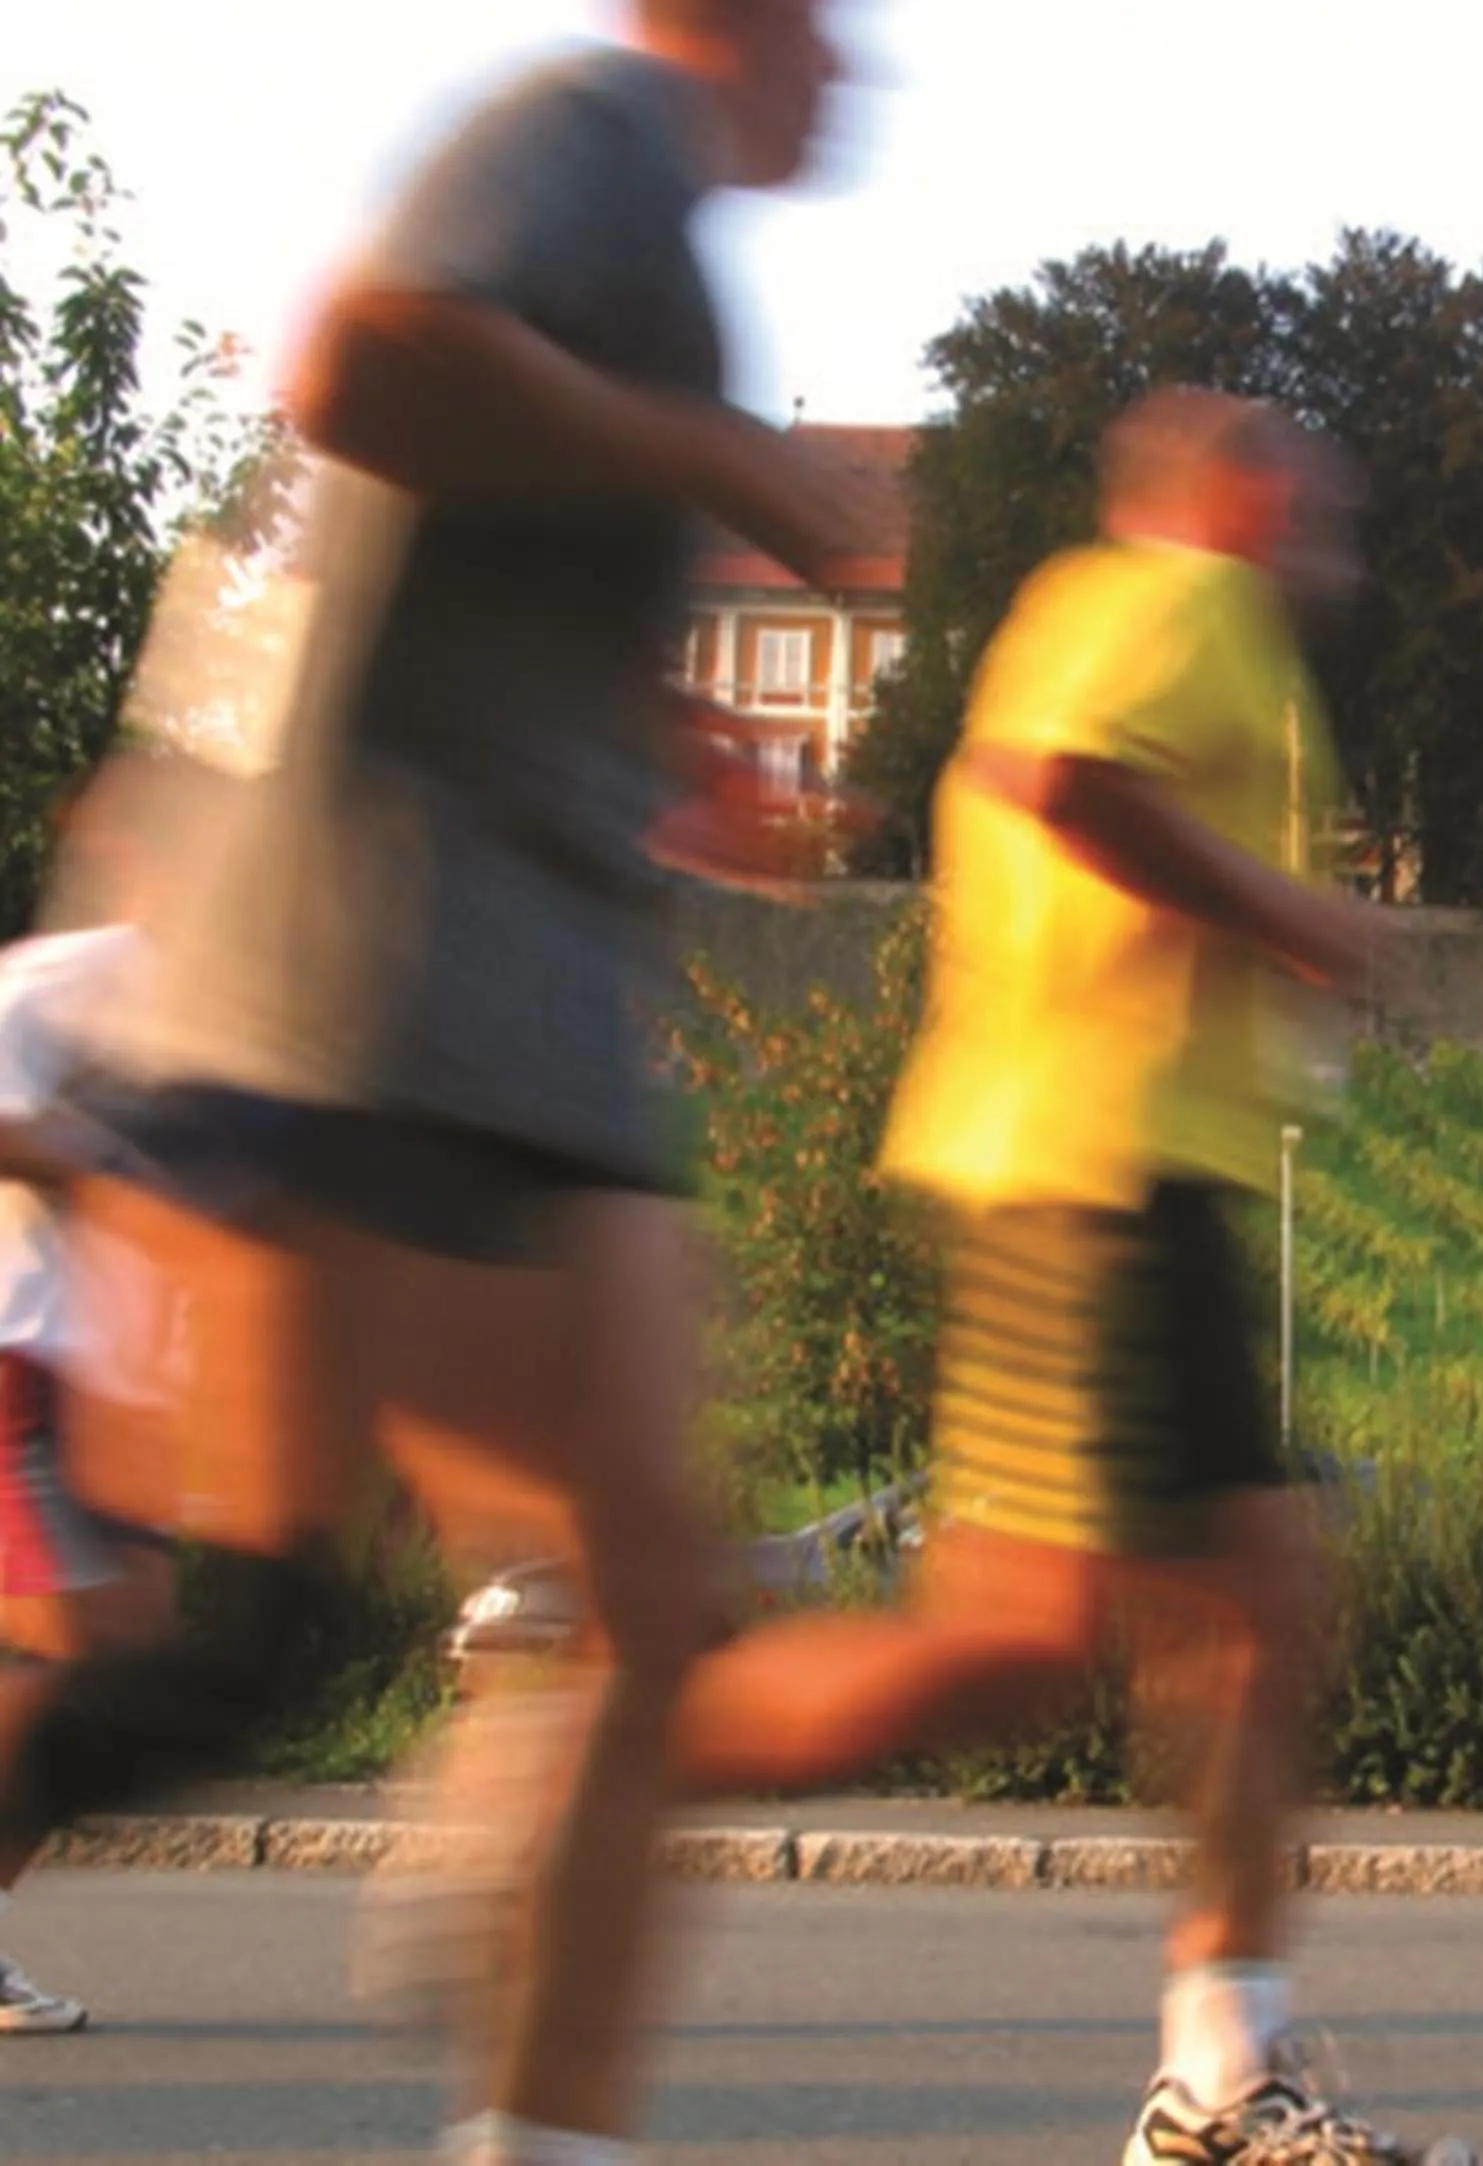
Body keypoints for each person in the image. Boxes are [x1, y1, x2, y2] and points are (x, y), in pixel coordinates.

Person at [0, 3, 860, 2157]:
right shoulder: (587, 123)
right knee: (244, 1645)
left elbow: (395, 539)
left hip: (531, 1010)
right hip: (382, 998)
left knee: (650, 1608)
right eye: (833, 34)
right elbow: (358, 365)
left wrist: (658, 724)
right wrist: (705, 455)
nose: (857, 78)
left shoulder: (652, 214)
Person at [665, 390, 1471, 2166]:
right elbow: (1059, 784)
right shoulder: (1180, 598)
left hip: (1129, 1169)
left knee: (1252, 1617)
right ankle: (615, 1745)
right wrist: (1297, 920)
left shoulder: (1167, 615)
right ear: (1242, 490)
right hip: (1084, 1167)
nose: (1340, 530)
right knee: (1019, 1643)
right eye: (1321, 491)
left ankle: (1222, 2079)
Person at [0, 781, 181, 2035]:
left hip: (99, 1375)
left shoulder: (227, 1009)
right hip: (21, 1352)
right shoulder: (75, 975)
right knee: (74, 1643)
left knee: (119, 1634)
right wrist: (109, 1174)